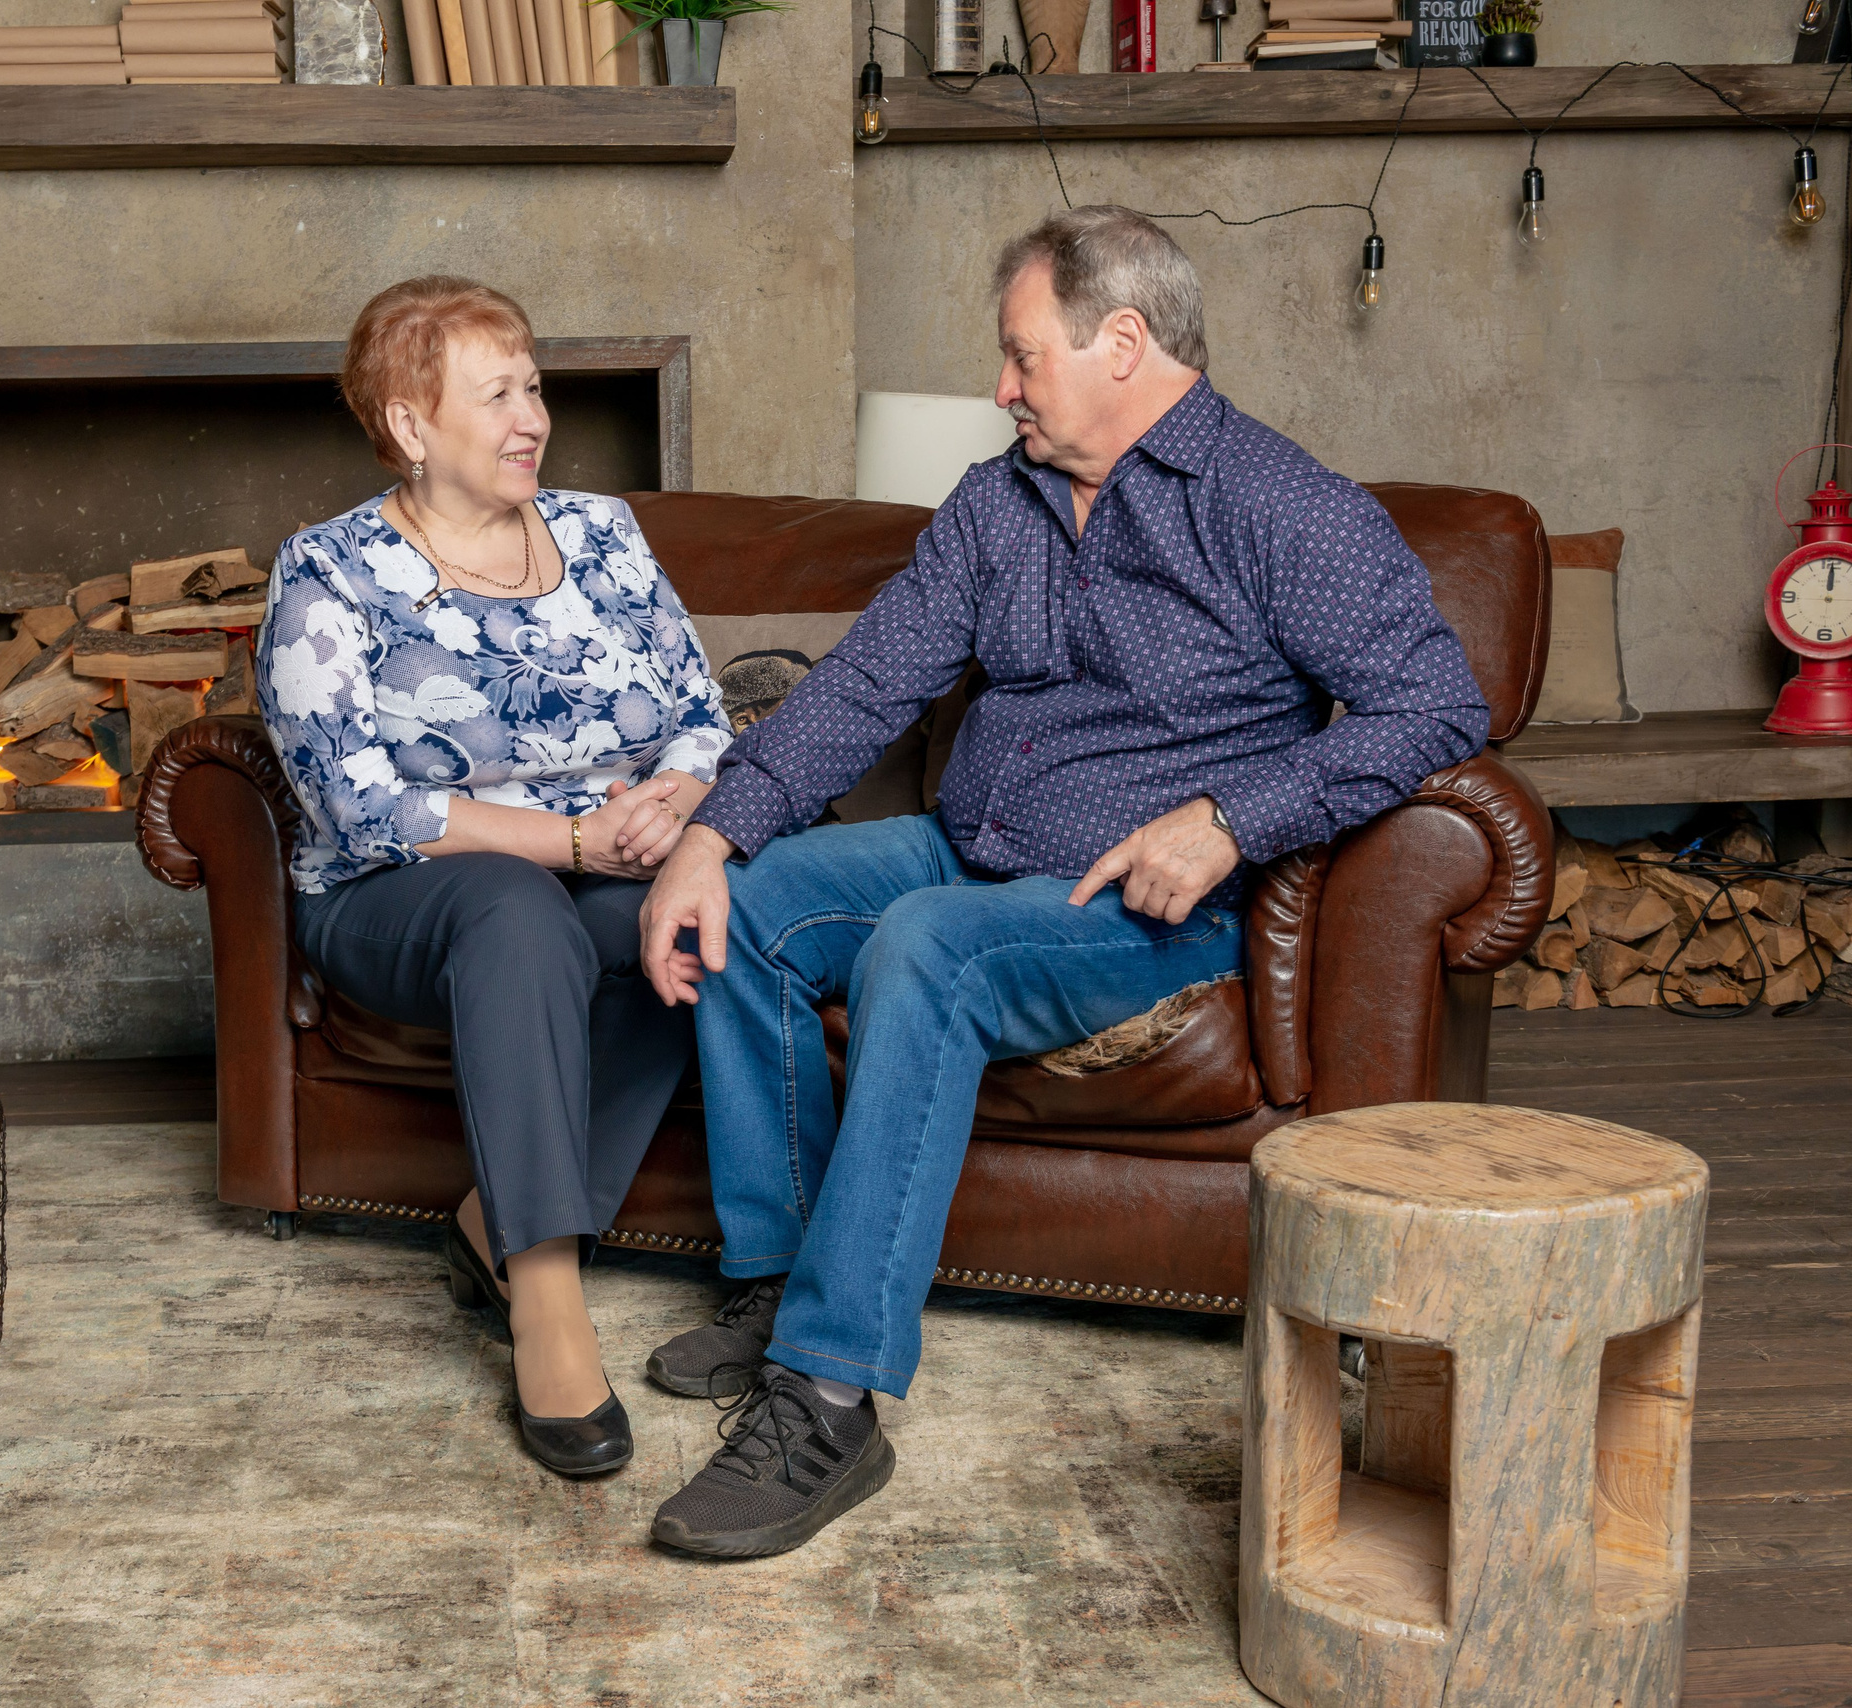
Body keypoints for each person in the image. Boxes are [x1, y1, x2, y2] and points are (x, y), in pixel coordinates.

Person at [634, 207, 1492, 1557]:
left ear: (1123, 344)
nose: (1003, 387)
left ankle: (832, 1397)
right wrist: (709, 837)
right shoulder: (1000, 500)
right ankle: (778, 1285)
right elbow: (868, 683)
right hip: (971, 849)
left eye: (1022, 357)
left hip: (1133, 913)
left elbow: (1438, 707)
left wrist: (1229, 816)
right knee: (763, 903)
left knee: (927, 945)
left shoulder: (1285, 509)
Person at [259, 276, 730, 1478]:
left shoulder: (601, 532)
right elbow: (361, 804)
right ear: (412, 428)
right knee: (519, 915)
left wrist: (664, 808)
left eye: (535, 388)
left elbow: (697, 712)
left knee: (683, 924)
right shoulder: (329, 572)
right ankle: (547, 1295)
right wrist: (570, 843)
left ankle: (487, 1219)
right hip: (401, 893)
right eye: (498, 395)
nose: (532, 419)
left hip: (605, 857)